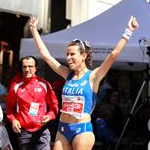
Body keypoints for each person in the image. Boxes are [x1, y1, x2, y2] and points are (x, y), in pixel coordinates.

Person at [29, 16, 139, 150]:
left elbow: (114, 54)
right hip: (62, 128)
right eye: (67, 54)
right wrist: (33, 29)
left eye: (72, 54)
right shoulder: (67, 74)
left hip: (82, 130)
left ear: (83, 56)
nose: (68, 58)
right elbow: (45, 54)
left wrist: (128, 31)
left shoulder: (93, 76)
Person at [6, 56, 59, 150]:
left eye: (30, 66)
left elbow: (54, 105)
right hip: (24, 131)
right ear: (21, 68)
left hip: (42, 129)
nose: (27, 69)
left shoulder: (44, 84)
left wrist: (50, 116)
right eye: (24, 67)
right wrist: (13, 120)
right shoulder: (16, 86)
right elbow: (9, 108)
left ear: (36, 68)